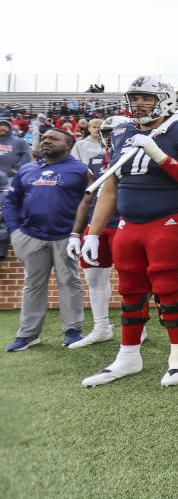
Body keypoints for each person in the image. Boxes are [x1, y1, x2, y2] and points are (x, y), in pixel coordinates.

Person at [80, 77, 178, 388]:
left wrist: (160, 155)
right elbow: (111, 184)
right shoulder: (123, 131)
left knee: (168, 289)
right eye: (134, 97)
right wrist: (93, 232)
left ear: (163, 99)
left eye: (145, 98)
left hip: (169, 220)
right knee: (130, 290)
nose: (137, 104)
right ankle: (128, 356)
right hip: (128, 224)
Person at [4, 129, 90, 351]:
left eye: (54, 138)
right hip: (30, 236)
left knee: (69, 281)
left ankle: (73, 331)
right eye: (45, 138)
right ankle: (28, 334)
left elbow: (91, 202)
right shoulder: (28, 169)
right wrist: (15, 231)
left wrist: (79, 233)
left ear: (69, 145)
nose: (47, 141)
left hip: (65, 236)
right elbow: (12, 201)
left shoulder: (81, 170)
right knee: (33, 284)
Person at [66, 115, 134, 349]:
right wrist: (77, 232)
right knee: (94, 278)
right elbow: (88, 197)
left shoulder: (134, 157)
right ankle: (101, 327)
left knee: (131, 279)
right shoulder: (95, 159)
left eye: (113, 132)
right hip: (96, 226)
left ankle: (139, 326)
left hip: (124, 223)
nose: (109, 137)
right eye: (105, 133)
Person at [0, 118, 32, 191]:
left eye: (5, 126)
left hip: (10, 178)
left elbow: (27, 155)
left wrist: (17, 168)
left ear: (10, 128)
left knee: (7, 199)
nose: (2, 128)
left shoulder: (19, 141)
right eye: (0, 126)